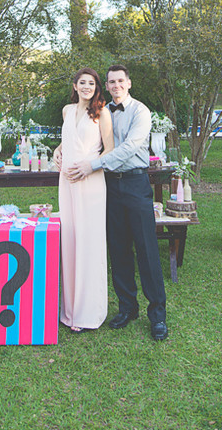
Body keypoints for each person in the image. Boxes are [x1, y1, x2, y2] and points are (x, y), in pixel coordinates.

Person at [63, 65, 168, 341]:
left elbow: (131, 147)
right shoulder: (100, 110)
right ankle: (127, 308)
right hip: (109, 185)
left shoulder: (140, 112)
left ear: (129, 83)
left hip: (134, 182)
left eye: (121, 81)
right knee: (118, 248)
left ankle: (157, 314)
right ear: (106, 86)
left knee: (146, 249)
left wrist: (93, 164)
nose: (116, 85)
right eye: (111, 82)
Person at [53, 68, 114, 332]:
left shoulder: (102, 112)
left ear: (96, 87)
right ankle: (69, 310)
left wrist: (90, 166)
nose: (87, 87)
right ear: (75, 86)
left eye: (92, 83)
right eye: (82, 83)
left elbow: (110, 150)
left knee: (88, 244)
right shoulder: (67, 110)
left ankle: (88, 312)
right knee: (69, 241)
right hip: (66, 183)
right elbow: (67, 140)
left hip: (90, 182)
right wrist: (58, 150)